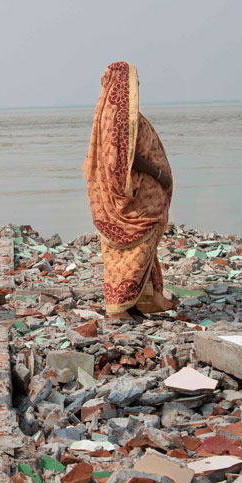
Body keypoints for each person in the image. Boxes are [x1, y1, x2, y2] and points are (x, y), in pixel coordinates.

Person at [83, 61, 175, 320]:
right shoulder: (118, 116)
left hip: (131, 197)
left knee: (137, 250)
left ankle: (134, 302)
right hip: (133, 201)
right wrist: (159, 175)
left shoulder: (112, 113)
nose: (138, 86)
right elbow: (126, 157)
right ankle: (120, 307)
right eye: (134, 81)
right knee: (138, 247)